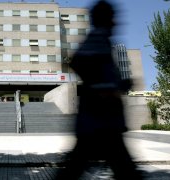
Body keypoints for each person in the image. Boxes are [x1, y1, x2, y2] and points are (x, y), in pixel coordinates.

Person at [56, 1, 143, 179]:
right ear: (106, 18)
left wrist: (117, 85)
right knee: (125, 171)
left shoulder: (103, 39)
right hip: (100, 122)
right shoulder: (98, 37)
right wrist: (102, 89)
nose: (116, 22)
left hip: (100, 123)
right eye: (112, 17)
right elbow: (77, 61)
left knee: (75, 168)